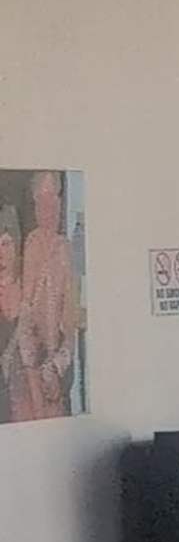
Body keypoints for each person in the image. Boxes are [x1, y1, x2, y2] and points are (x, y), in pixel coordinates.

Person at [2, 169, 84, 424]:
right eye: (41, 200)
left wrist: (56, 367)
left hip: (53, 368)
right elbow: (26, 313)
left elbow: (70, 328)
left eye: (54, 199)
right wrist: (28, 369)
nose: (48, 207)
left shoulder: (68, 251)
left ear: (60, 203)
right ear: (35, 205)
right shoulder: (31, 243)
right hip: (26, 367)